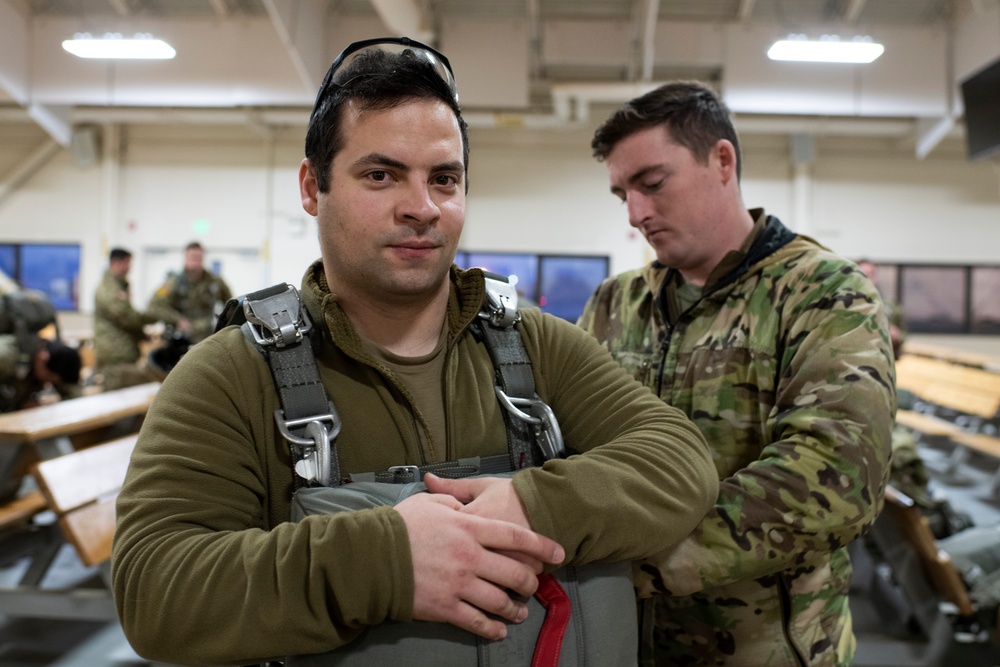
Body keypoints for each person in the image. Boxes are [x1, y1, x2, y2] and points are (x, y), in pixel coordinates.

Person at [111, 38, 720, 666]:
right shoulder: (233, 376)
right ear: (311, 187)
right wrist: (388, 561)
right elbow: (155, 590)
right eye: (381, 175)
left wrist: (530, 506)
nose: (422, 208)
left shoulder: (534, 347)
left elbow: (678, 462)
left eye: (444, 180)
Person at [577, 81, 895, 666]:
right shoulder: (614, 304)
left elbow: (835, 476)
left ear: (721, 160)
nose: (636, 213)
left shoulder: (823, 292)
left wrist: (627, 563)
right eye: (622, 193)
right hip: (627, 644)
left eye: (651, 184)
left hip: (768, 650)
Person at [93, 247, 164, 390]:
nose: (129, 269)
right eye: (127, 264)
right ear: (115, 263)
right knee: (116, 399)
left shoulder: (119, 286)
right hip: (115, 355)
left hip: (122, 352)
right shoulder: (110, 290)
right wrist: (156, 316)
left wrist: (141, 334)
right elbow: (128, 318)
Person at [145, 240, 232, 343]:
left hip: (208, 337)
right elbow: (154, 306)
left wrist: (224, 325)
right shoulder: (173, 282)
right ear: (185, 258)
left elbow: (231, 304)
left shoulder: (215, 281)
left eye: (198, 258)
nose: (195, 262)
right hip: (181, 339)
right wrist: (177, 319)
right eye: (192, 258)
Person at [857, 258, 907, 359]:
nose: (866, 278)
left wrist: (896, 336)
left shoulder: (890, 307)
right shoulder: (843, 304)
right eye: (862, 274)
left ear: (875, 278)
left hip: (881, 361)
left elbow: (903, 335)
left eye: (869, 274)